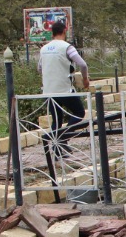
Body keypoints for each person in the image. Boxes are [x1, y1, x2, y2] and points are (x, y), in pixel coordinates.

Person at [38, 19, 89, 158]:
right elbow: (83, 64)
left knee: (57, 120)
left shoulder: (44, 49)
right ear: (64, 31)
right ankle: (63, 138)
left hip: (48, 91)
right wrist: (85, 79)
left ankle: (57, 150)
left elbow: (40, 68)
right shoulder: (67, 47)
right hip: (64, 89)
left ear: (52, 33)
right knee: (79, 113)